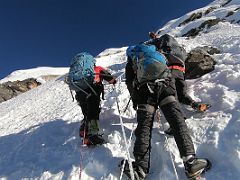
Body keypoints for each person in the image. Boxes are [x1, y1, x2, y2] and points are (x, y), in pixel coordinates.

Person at [122, 44, 211, 180]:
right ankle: (191, 161)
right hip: (166, 86)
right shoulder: (155, 52)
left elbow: (130, 82)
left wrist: (136, 101)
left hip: (145, 91)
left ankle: (140, 168)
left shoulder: (132, 59)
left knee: (144, 128)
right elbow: (168, 70)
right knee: (177, 121)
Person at [147, 32, 210, 112]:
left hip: (169, 70)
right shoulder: (174, 45)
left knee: (170, 93)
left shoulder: (159, 44)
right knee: (182, 95)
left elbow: (150, 48)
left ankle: (177, 114)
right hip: (180, 71)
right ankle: (195, 105)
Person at [67, 52, 116, 146]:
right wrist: (114, 81)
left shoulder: (79, 73)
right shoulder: (97, 69)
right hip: (92, 90)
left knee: (86, 112)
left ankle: (84, 131)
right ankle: (93, 134)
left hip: (79, 91)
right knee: (93, 112)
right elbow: (109, 78)